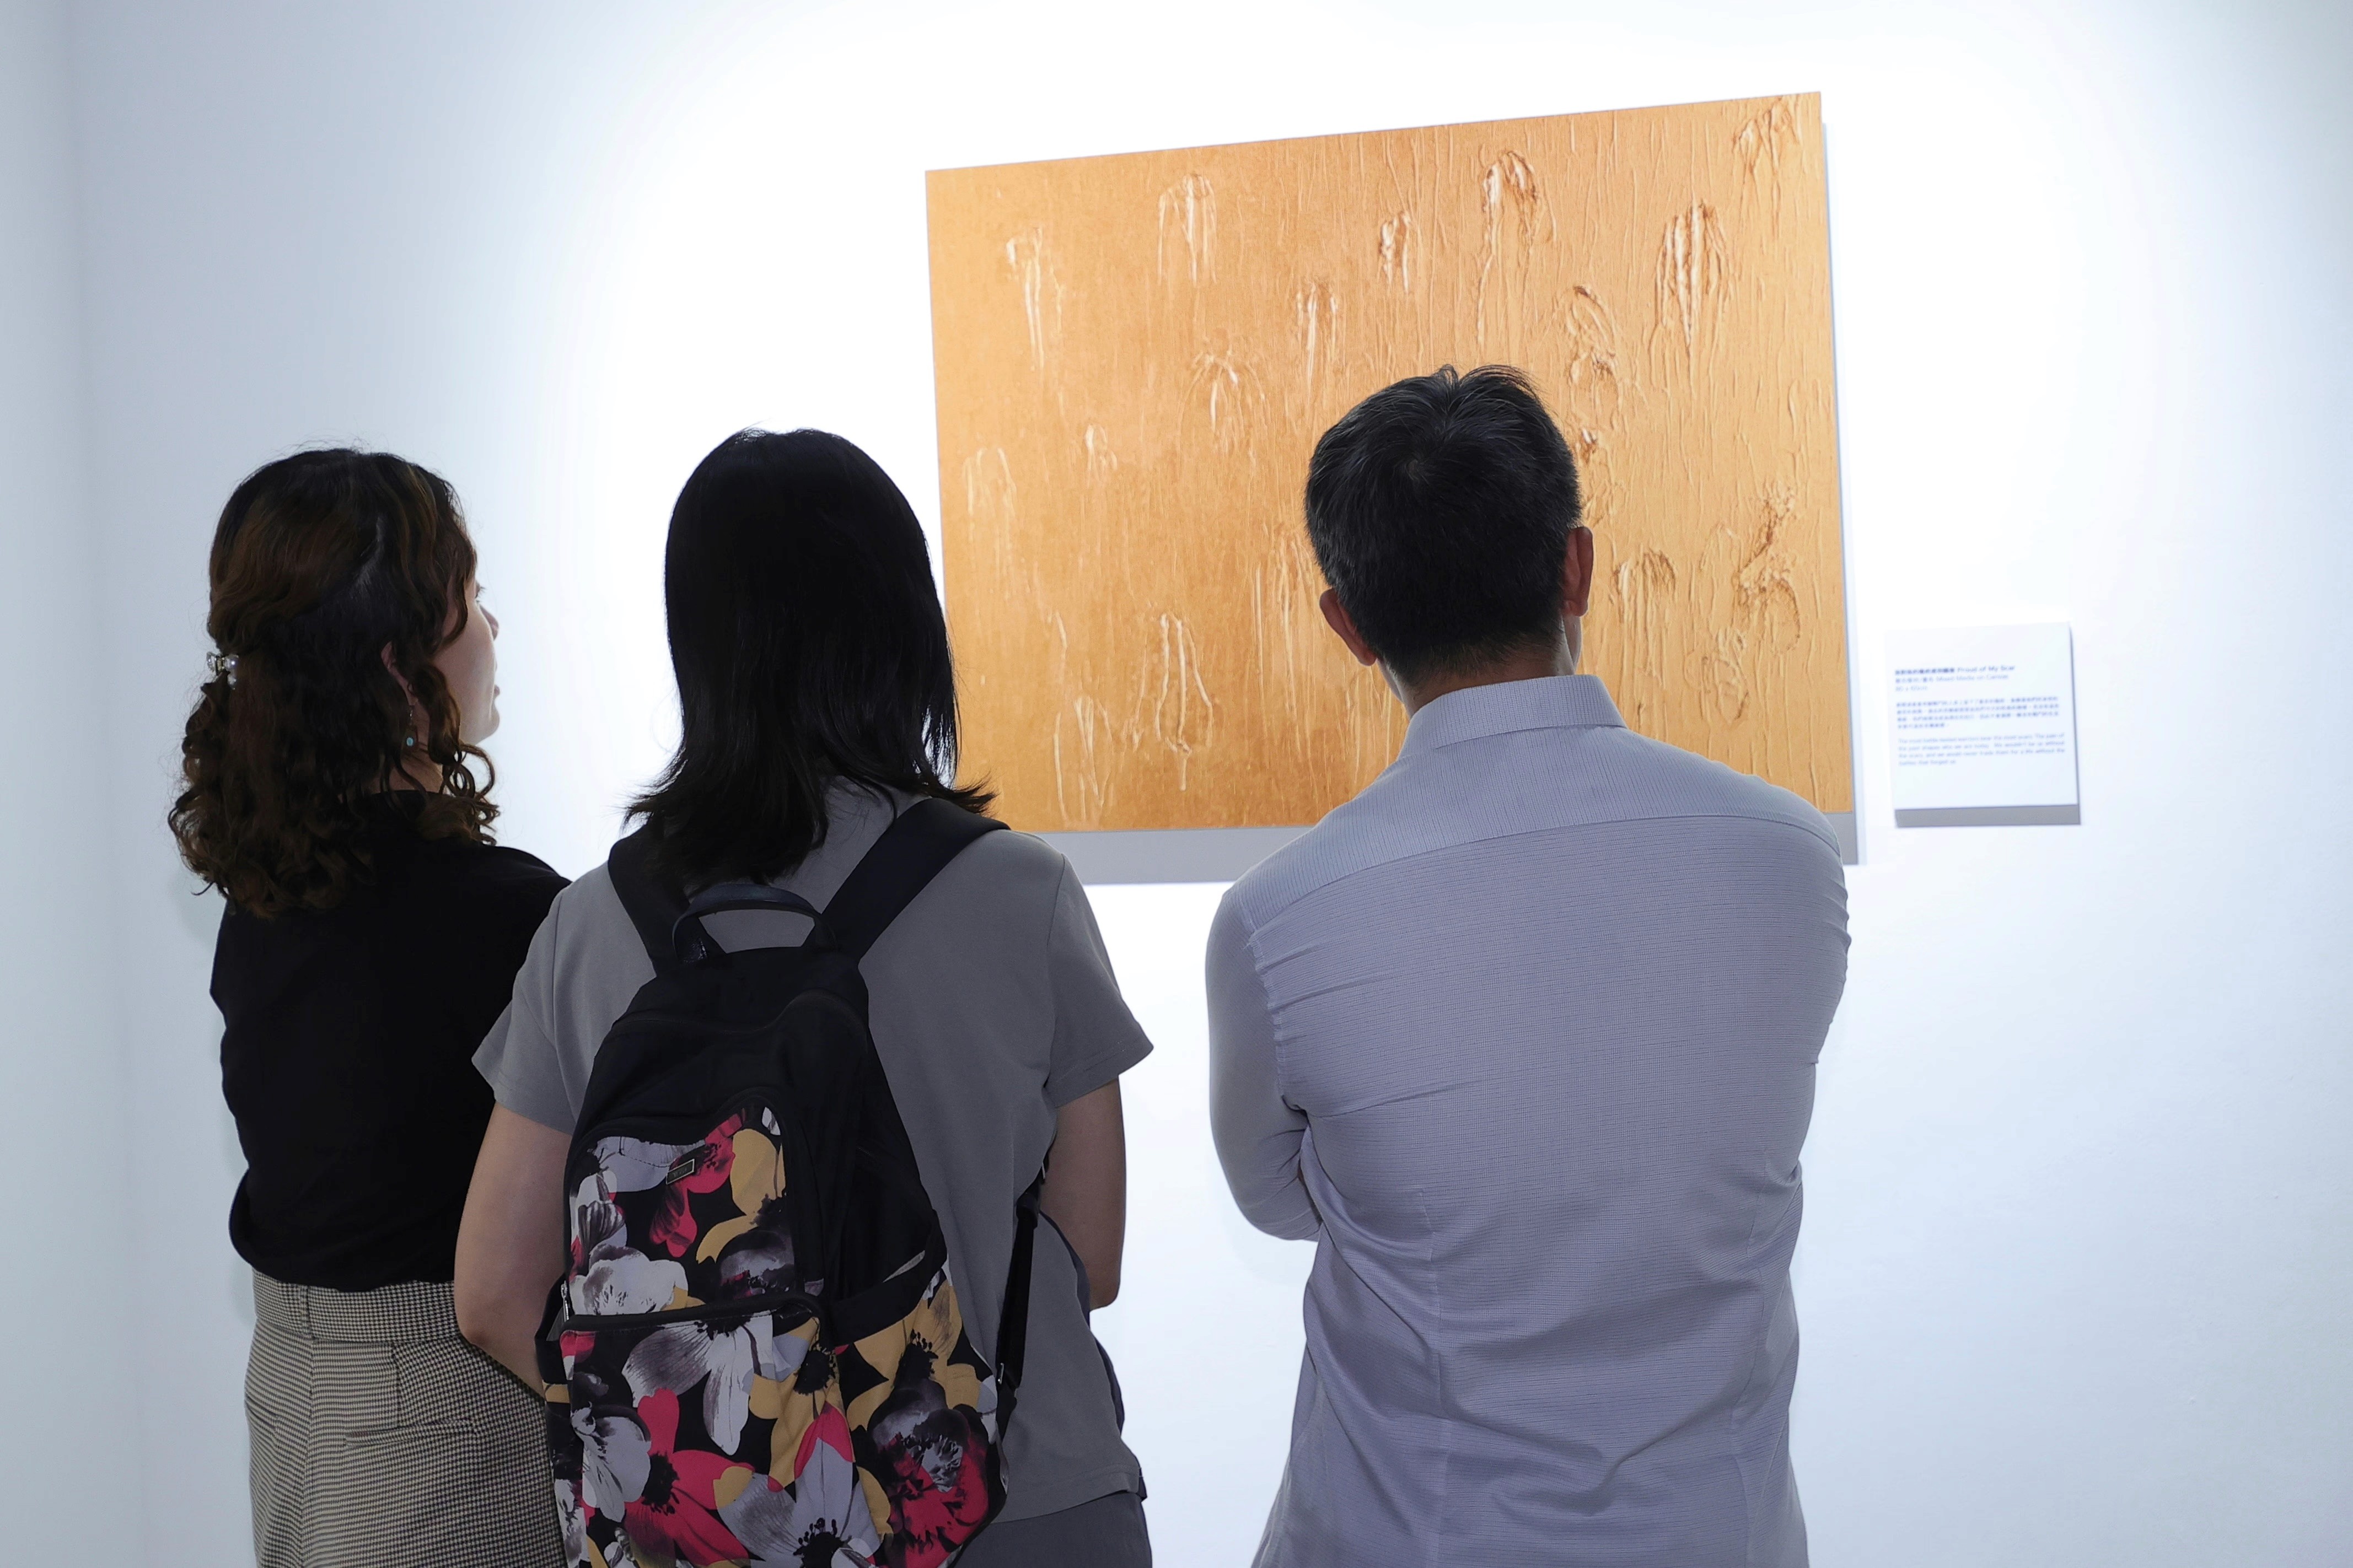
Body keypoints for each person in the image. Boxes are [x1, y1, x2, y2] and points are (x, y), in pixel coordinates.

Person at [455, 428, 1154, 1566]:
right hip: (1013, 1504)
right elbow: (1092, 1256)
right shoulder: (1023, 894)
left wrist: (726, 1445)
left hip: (722, 1538)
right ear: (904, 630)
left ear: (698, 647)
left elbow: (492, 1294)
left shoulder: (590, 927)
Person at [1207, 366, 1850, 1568]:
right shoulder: (1786, 856)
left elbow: (1282, 1197)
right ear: (1577, 568)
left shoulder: (1280, 917)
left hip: (1412, 1534)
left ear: (1348, 625)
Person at [173, 449, 569, 1568]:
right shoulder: (511, 918)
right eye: (470, 601)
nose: (494, 627)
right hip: (454, 1423)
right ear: (401, 669)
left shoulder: (261, 906)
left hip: (295, 1406)